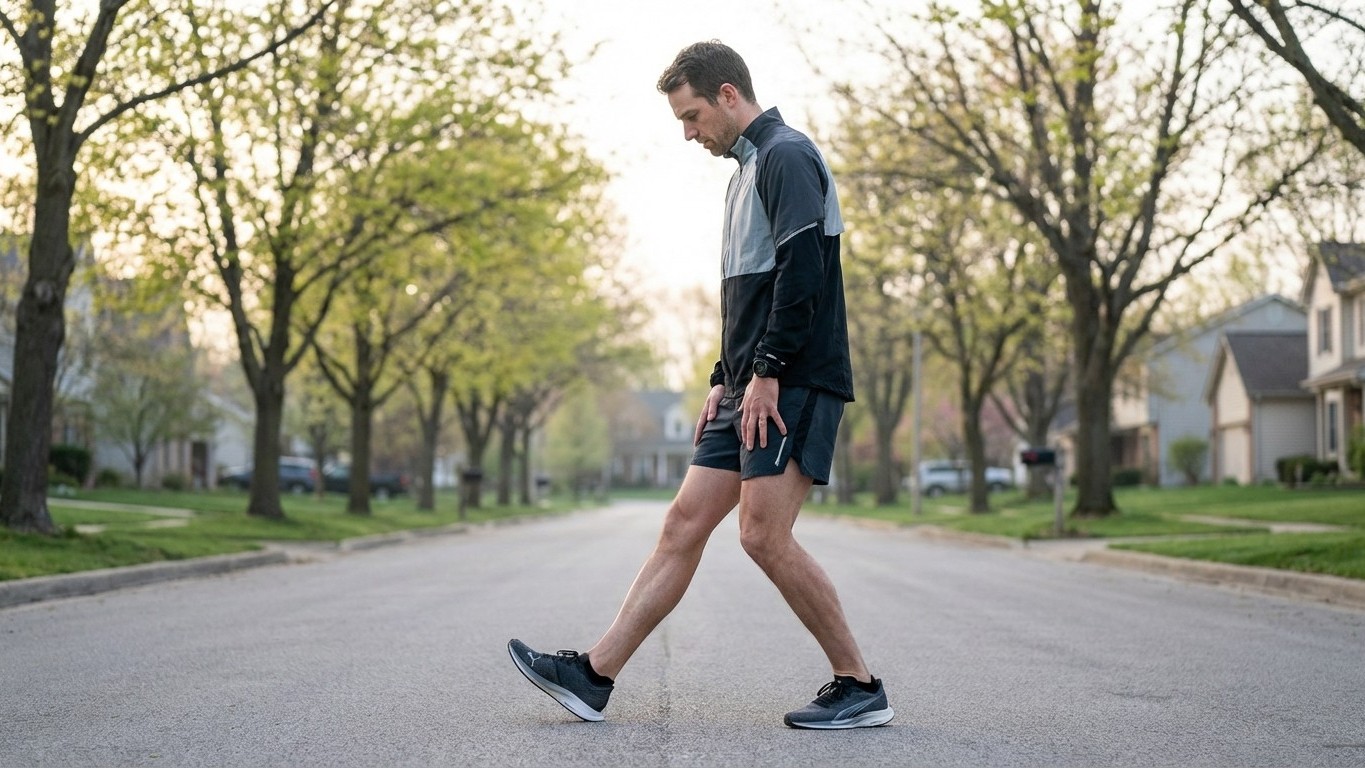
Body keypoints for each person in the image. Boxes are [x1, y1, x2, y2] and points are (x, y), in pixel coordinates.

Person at [508, 40, 892, 730]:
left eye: (691, 116)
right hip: (750, 382)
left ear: (726, 95)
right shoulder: (742, 173)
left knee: (762, 535)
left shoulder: (785, 156)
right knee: (682, 522)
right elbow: (743, 293)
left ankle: (859, 683)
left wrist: (768, 371)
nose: (688, 134)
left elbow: (800, 274)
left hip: (794, 378)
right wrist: (725, 376)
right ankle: (594, 675)